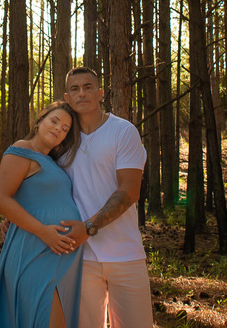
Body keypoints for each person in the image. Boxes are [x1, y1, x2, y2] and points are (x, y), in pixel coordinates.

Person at [58, 67, 153, 328]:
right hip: (79, 257)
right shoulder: (61, 139)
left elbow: (129, 191)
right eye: (75, 89)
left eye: (88, 87)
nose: (82, 93)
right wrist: (16, 218)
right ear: (67, 98)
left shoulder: (123, 132)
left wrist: (88, 227)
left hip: (125, 253)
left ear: (100, 93)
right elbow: (41, 184)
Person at [0, 102, 85, 328]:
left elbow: (29, 197)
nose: (58, 129)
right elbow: (1, 198)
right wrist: (43, 231)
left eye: (65, 129)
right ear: (39, 120)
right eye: (54, 121)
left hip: (57, 254)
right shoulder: (22, 149)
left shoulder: (53, 162)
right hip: (35, 250)